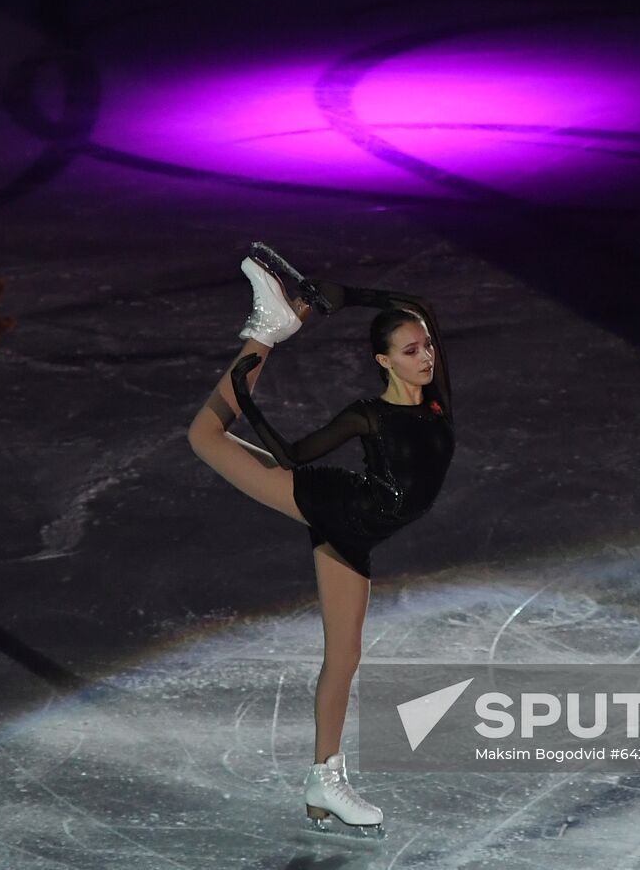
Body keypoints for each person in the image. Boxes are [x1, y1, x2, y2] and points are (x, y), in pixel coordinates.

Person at [186, 245, 455, 838]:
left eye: (427, 346)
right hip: (333, 503)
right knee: (206, 435)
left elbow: (420, 306)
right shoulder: (368, 414)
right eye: (411, 351)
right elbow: (290, 456)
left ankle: (323, 781)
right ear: (384, 361)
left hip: (357, 538)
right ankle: (265, 332)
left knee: (345, 658)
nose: (426, 355)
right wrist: (247, 399)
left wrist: (340, 295)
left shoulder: (438, 404)